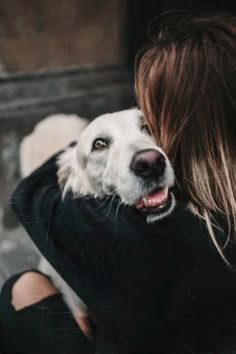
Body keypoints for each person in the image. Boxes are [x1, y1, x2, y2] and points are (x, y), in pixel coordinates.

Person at [1, 11, 236, 354]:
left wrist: (86, 143)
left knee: (22, 285)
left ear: (188, 126)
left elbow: (30, 195)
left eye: (153, 117)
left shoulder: (120, 231)